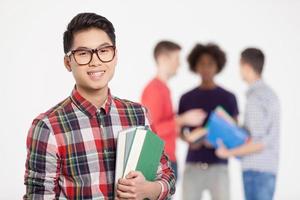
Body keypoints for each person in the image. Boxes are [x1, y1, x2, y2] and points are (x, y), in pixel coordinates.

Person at [24, 13, 175, 199]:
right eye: (83, 53)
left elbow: (166, 175)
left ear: (115, 55)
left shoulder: (138, 114)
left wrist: (149, 189)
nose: (95, 61)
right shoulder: (48, 127)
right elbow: (39, 196)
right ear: (67, 62)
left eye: (104, 51)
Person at [216, 48, 280, 200]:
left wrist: (227, 153)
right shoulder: (267, 94)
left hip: (257, 171)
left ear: (246, 67)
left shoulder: (256, 97)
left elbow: (259, 143)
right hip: (264, 170)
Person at [179, 43, 239, 200]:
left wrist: (218, 141)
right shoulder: (186, 98)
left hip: (219, 166)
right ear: (195, 66)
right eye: (202, 64)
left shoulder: (228, 97)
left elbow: (235, 131)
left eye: (210, 64)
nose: (206, 68)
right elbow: (180, 130)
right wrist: (189, 140)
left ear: (217, 66)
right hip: (193, 165)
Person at [141, 41, 206, 180]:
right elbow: (152, 130)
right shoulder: (154, 90)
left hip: (166, 159)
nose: (179, 64)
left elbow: (166, 127)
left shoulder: (164, 89)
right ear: (162, 59)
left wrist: (186, 134)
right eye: (176, 59)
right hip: (157, 162)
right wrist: (183, 119)